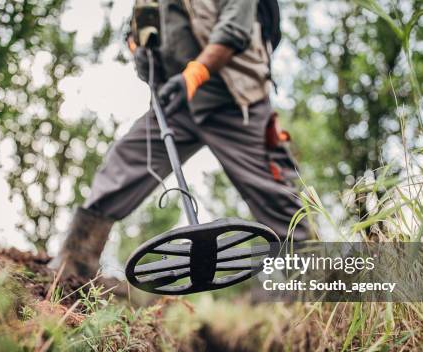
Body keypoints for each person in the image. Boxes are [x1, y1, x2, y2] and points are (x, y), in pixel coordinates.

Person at [50, 0, 309, 279]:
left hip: (236, 104)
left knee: (280, 202)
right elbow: (141, 35)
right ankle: (70, 273)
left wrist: (194, 75)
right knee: (118, 171)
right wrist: (138, 51)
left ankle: (324, 294)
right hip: (176, 106)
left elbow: (234, 30)